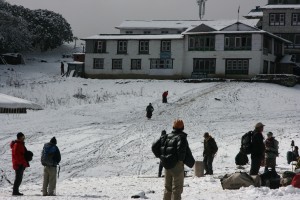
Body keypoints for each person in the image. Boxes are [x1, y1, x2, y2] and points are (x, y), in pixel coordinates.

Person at [152, 119, 194, 200]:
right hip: (176, 166)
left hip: (167, 166)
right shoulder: (181, 137)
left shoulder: (166, 136)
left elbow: (154, 147)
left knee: (168, 189)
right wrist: (180, 160)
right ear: (183, 127)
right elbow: (181, 152)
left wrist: (161, 157)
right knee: (177, 190)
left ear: (173, 127)